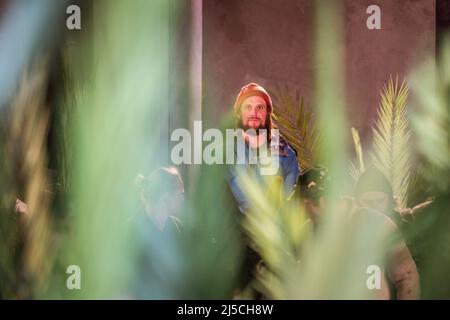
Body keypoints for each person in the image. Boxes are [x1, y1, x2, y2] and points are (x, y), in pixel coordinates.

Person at [291, 166, 420, 299]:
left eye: (304, 204)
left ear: (322, 200)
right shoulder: (308, 230)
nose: (302, 211)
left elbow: (407, 276)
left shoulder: (377, 223)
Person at [227, 82, 300, 213]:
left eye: (259, 108)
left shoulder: (286, 154)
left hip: (274, 229)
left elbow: (291, 201)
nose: (254, 113)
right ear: (238, 114)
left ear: (267, 113)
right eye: (248, 107)